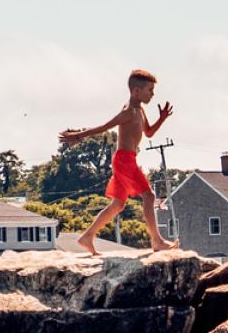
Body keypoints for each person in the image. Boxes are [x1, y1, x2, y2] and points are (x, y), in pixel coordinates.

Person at [59, 69, 179, 255]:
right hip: (124, 160)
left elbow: (148, 133)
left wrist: (161, 119)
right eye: (150, 90)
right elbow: (104, 127)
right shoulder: (128, 111)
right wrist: (77, 135)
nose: (153, 94)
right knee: (149, 196)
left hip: (127, 159)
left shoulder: (140, 110)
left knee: (118, 204)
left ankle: (87, 237)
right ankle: (157, 241)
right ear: (136, 91)